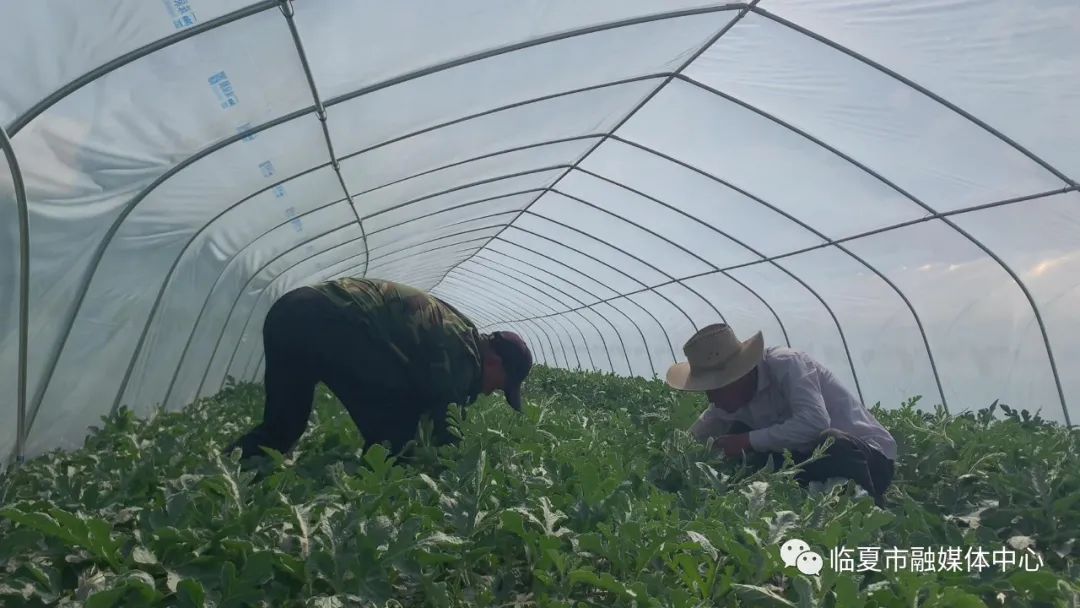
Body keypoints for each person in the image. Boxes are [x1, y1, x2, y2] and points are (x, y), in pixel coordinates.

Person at [226, 277, 533, 461]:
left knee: (283, 428)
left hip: (291, 311)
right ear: (494, 361)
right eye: (501, 385)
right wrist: (451, 473)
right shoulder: (462, 356)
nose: (493, 392)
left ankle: (219, 475)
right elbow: (442, 419)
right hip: (329, 320)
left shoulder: (462, 334)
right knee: (395, 433)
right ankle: (375, 503)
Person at [666, 323, 896, 506]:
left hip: (868, 460)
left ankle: (868, 515)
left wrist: (745, 441)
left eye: (715, 388)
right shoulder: (730, 398)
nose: (711, 398)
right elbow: (698, 433)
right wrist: (672, 458)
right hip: (808, 461)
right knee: (737, 441)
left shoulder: (787, 364)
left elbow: (814, 423)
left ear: (738, 376)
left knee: (832, 441)